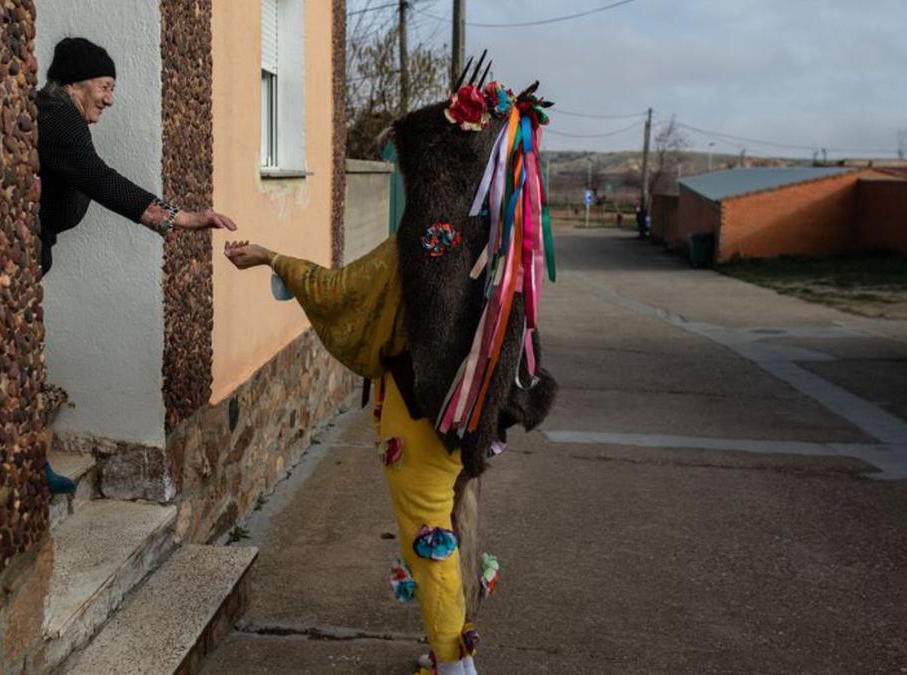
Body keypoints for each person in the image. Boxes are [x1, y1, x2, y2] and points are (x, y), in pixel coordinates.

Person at [222, 68, 557, 675]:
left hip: (420, 408)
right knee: (455, 520)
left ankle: (457, 666)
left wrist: (272, 256)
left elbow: (340, 289)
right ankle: (449, 648)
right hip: (468, 409)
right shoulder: (498, 236)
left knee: (428, 535)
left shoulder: (423, 243)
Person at [36, 37, 238, 493]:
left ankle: (33, 459)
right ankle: (31, 463)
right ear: (77, 82)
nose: (110, 98)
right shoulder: (56, 116)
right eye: (105, 86)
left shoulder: (58, 115)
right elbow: (99, 178)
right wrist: (179, 217)